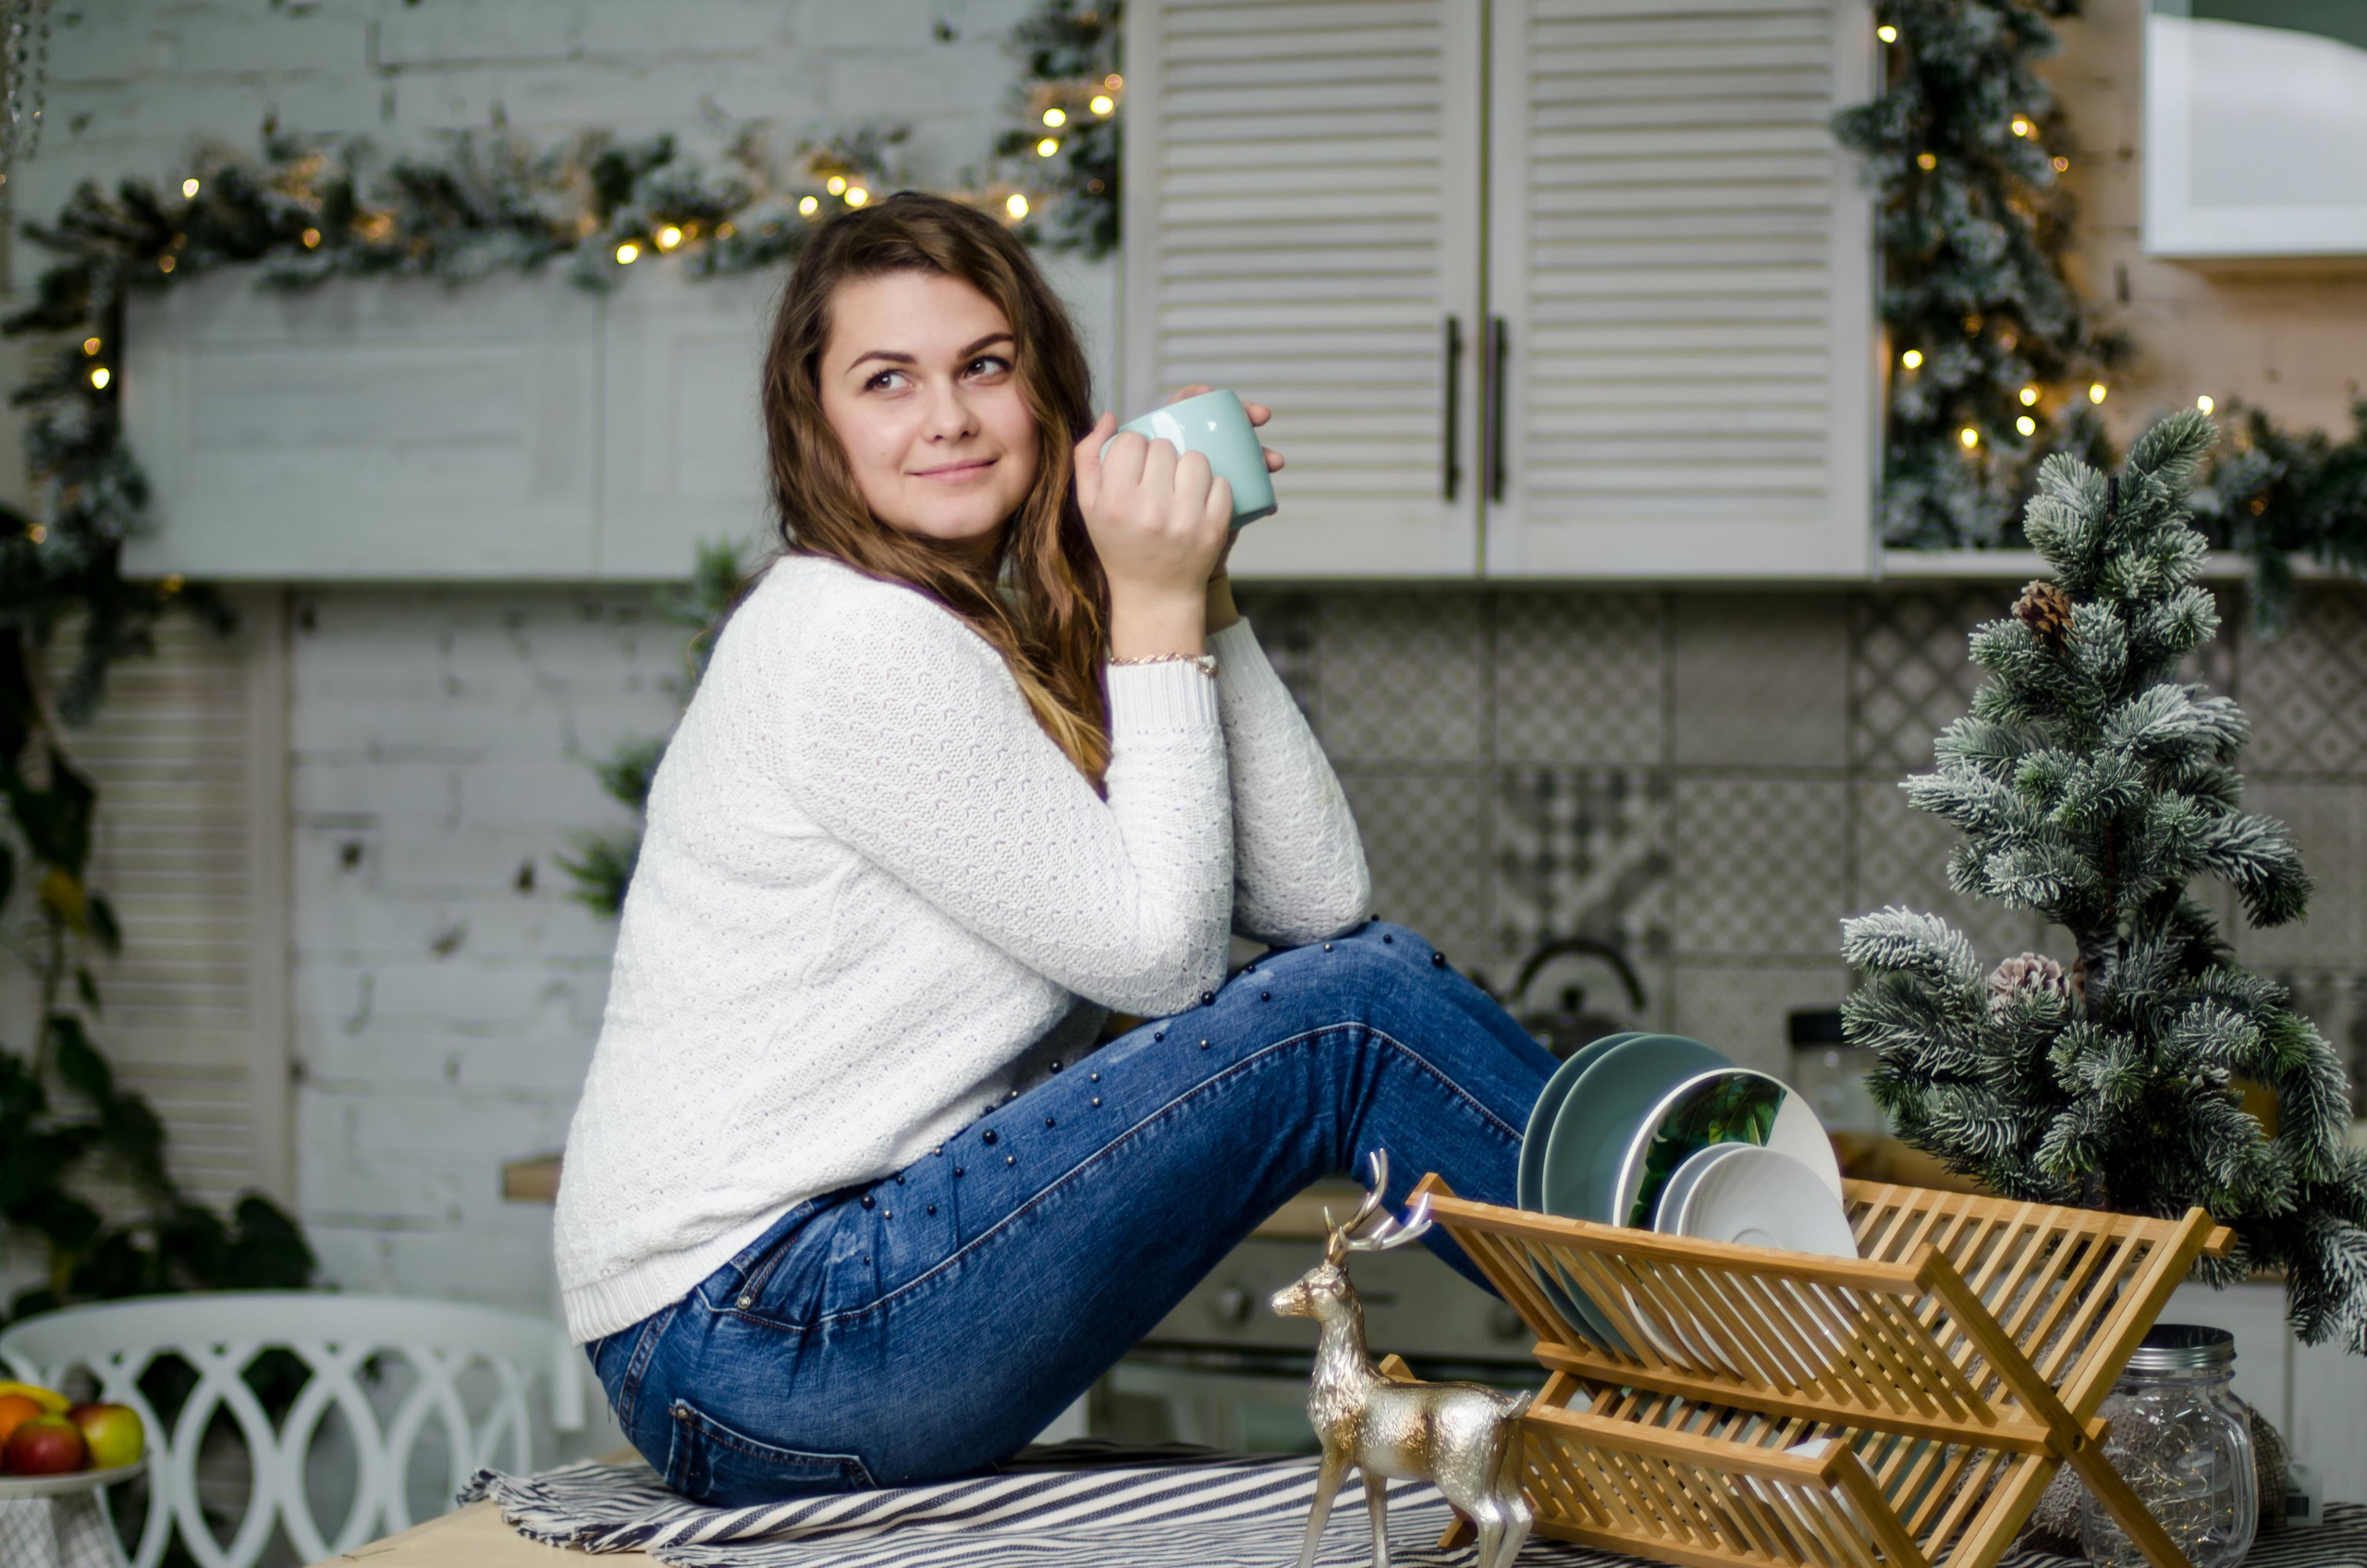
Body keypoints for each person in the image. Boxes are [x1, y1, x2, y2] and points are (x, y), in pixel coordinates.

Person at [553, 191, 1554, 1506]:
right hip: (760, 1335)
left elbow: (1319, 903)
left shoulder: (972, 632)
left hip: (803, 1317)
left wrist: (1198, 584)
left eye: (984, 365)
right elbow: (1169, 962)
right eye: (886, 381)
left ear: (1045, 393)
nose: (949, 416)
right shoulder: (848, 639)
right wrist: (1148, 601)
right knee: (1354, 1018)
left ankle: (1735, 1323)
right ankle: (1753, 1332)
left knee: (1353, 989)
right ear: (818, 424)